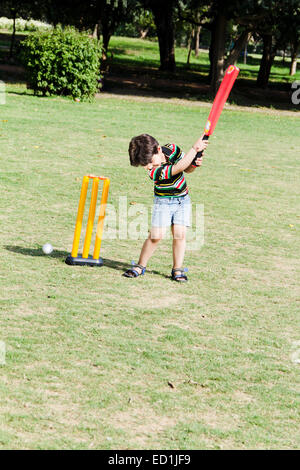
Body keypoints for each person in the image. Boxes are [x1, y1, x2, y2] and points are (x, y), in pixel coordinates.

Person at [123, 133, 208, 282]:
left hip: (182, 200)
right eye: (144, 165)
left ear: (158, 149)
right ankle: (140, 265)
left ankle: (177, 269)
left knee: (180, 234)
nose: (148, 167)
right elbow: (177, 168)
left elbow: (186, 168)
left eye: (149, 161)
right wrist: (194, 149)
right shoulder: (154, 172)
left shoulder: (172, 149)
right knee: (156, 236)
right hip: (163, 203)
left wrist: (194, 163)